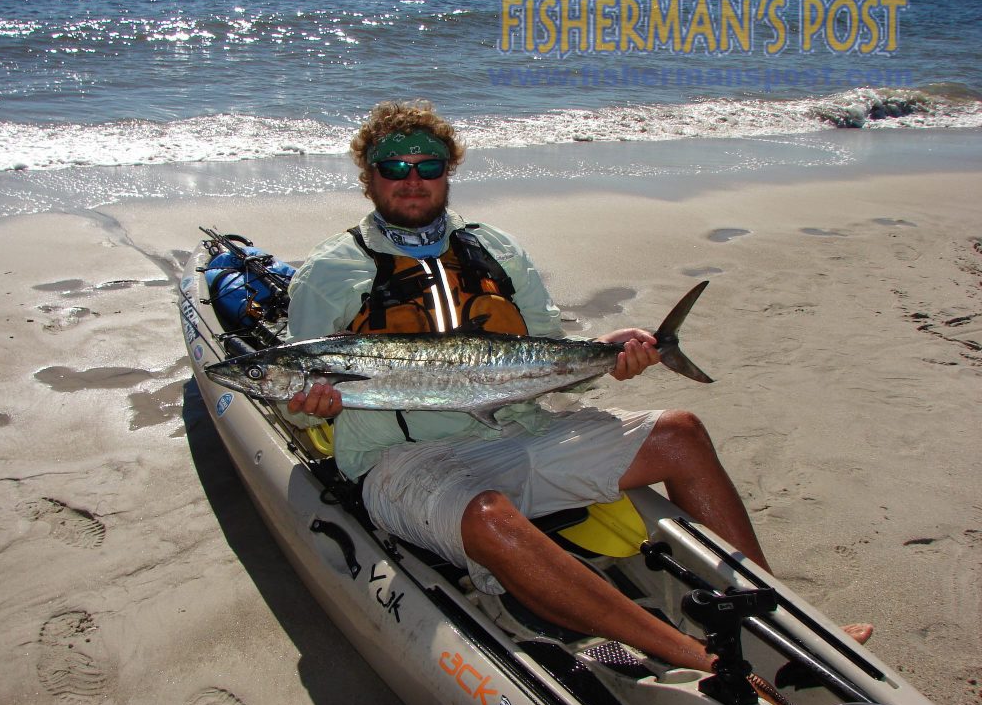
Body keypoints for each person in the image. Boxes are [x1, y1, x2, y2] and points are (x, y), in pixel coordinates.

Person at [282, 100, 869, 672]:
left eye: (428, 166)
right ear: (369, 176)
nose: (412, 180)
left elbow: (544, 352)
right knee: (487, 515)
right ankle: (686, 652)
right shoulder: (330, 271)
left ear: (448, 172)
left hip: (522, 430)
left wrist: (609, 352)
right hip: (406, 459)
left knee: (680, 433)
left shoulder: (497, 248)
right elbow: (301, 402)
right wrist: (308, 406)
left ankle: (785, 619)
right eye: (394, 167)